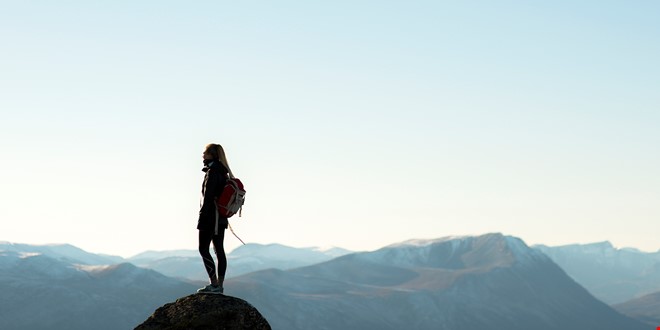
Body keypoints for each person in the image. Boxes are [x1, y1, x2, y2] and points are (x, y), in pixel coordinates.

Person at [196, 143, 233, 294]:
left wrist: (202, 216)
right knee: (219, 250)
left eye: (205, 153)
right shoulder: (224, 172)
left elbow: (208, 197)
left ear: (212, 155)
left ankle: (214, 283)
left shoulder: (212, 172)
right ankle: (220, 285)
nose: (203, 155)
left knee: (203, 248)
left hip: (210, 216)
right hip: (221, 218)